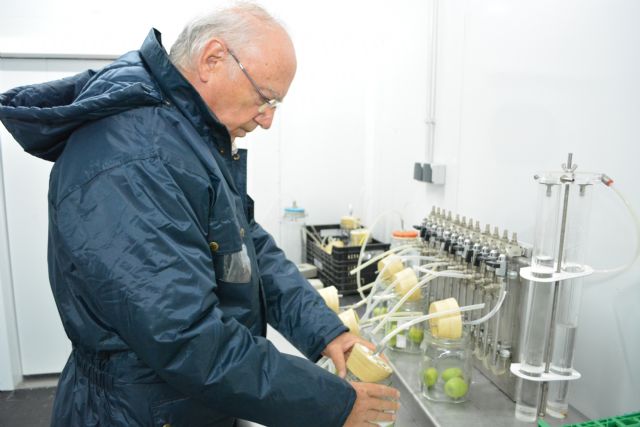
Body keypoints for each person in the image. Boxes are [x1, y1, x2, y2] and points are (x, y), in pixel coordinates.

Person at [0, 3, 399, 427]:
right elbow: (185, 337)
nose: (267, 120)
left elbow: (245, 246)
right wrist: (330, 403)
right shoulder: (133, 158)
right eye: (266, 98)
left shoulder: (183, 138)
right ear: (212, 60)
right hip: (137, 413)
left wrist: (323, 329)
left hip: (181, 403)